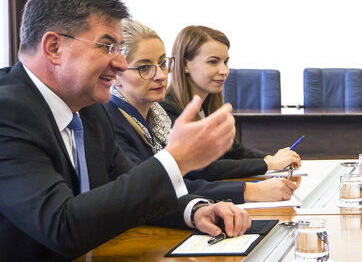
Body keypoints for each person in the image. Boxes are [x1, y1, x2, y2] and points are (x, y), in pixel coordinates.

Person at [0, 0, 250, 261]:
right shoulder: (8, 112)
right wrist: (176, 159)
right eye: (107, 46)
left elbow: (127, 192)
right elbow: (62, 227)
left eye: (119, 49)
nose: (119, 64)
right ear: (54, 47)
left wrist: (194, 210)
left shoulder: (90, 110)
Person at [105, 19, 297, 203]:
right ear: (116, 74)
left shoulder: (157, 117)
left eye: (163, 64)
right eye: (145, 67)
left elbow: (230, 152)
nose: (161, 75)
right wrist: (252, 186)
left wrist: (269, 161)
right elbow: (156, 189)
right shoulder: (110, 122)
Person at [164, 25, 301, 180]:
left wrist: (271, 158)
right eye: (213, 62)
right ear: (185, 65)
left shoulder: (208, 106)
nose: (224, 71)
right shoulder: (168, 110)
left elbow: (235, 151)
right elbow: (202, 169)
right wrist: (268, 164)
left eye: (226, 61)